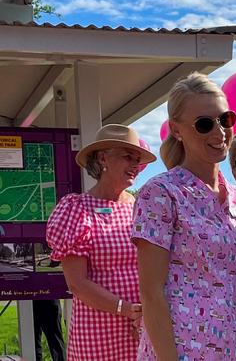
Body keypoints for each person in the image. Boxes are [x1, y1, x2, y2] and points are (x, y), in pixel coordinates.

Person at [133, 72, 236, 361]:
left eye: (225, 119)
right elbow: (151, 293)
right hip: (182, 353)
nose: (219, 132)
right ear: (176, 130)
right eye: (204, 124)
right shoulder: (161, 193)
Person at [46, 124, 156, 360]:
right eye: (128, 157)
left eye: (137, 159)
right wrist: (126, 309)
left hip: (142, 328)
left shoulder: (140, 207)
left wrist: (145, 315)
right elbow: (77, 283)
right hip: (98, 333)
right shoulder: (77, 209)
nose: (135, 165)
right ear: (103, 158)